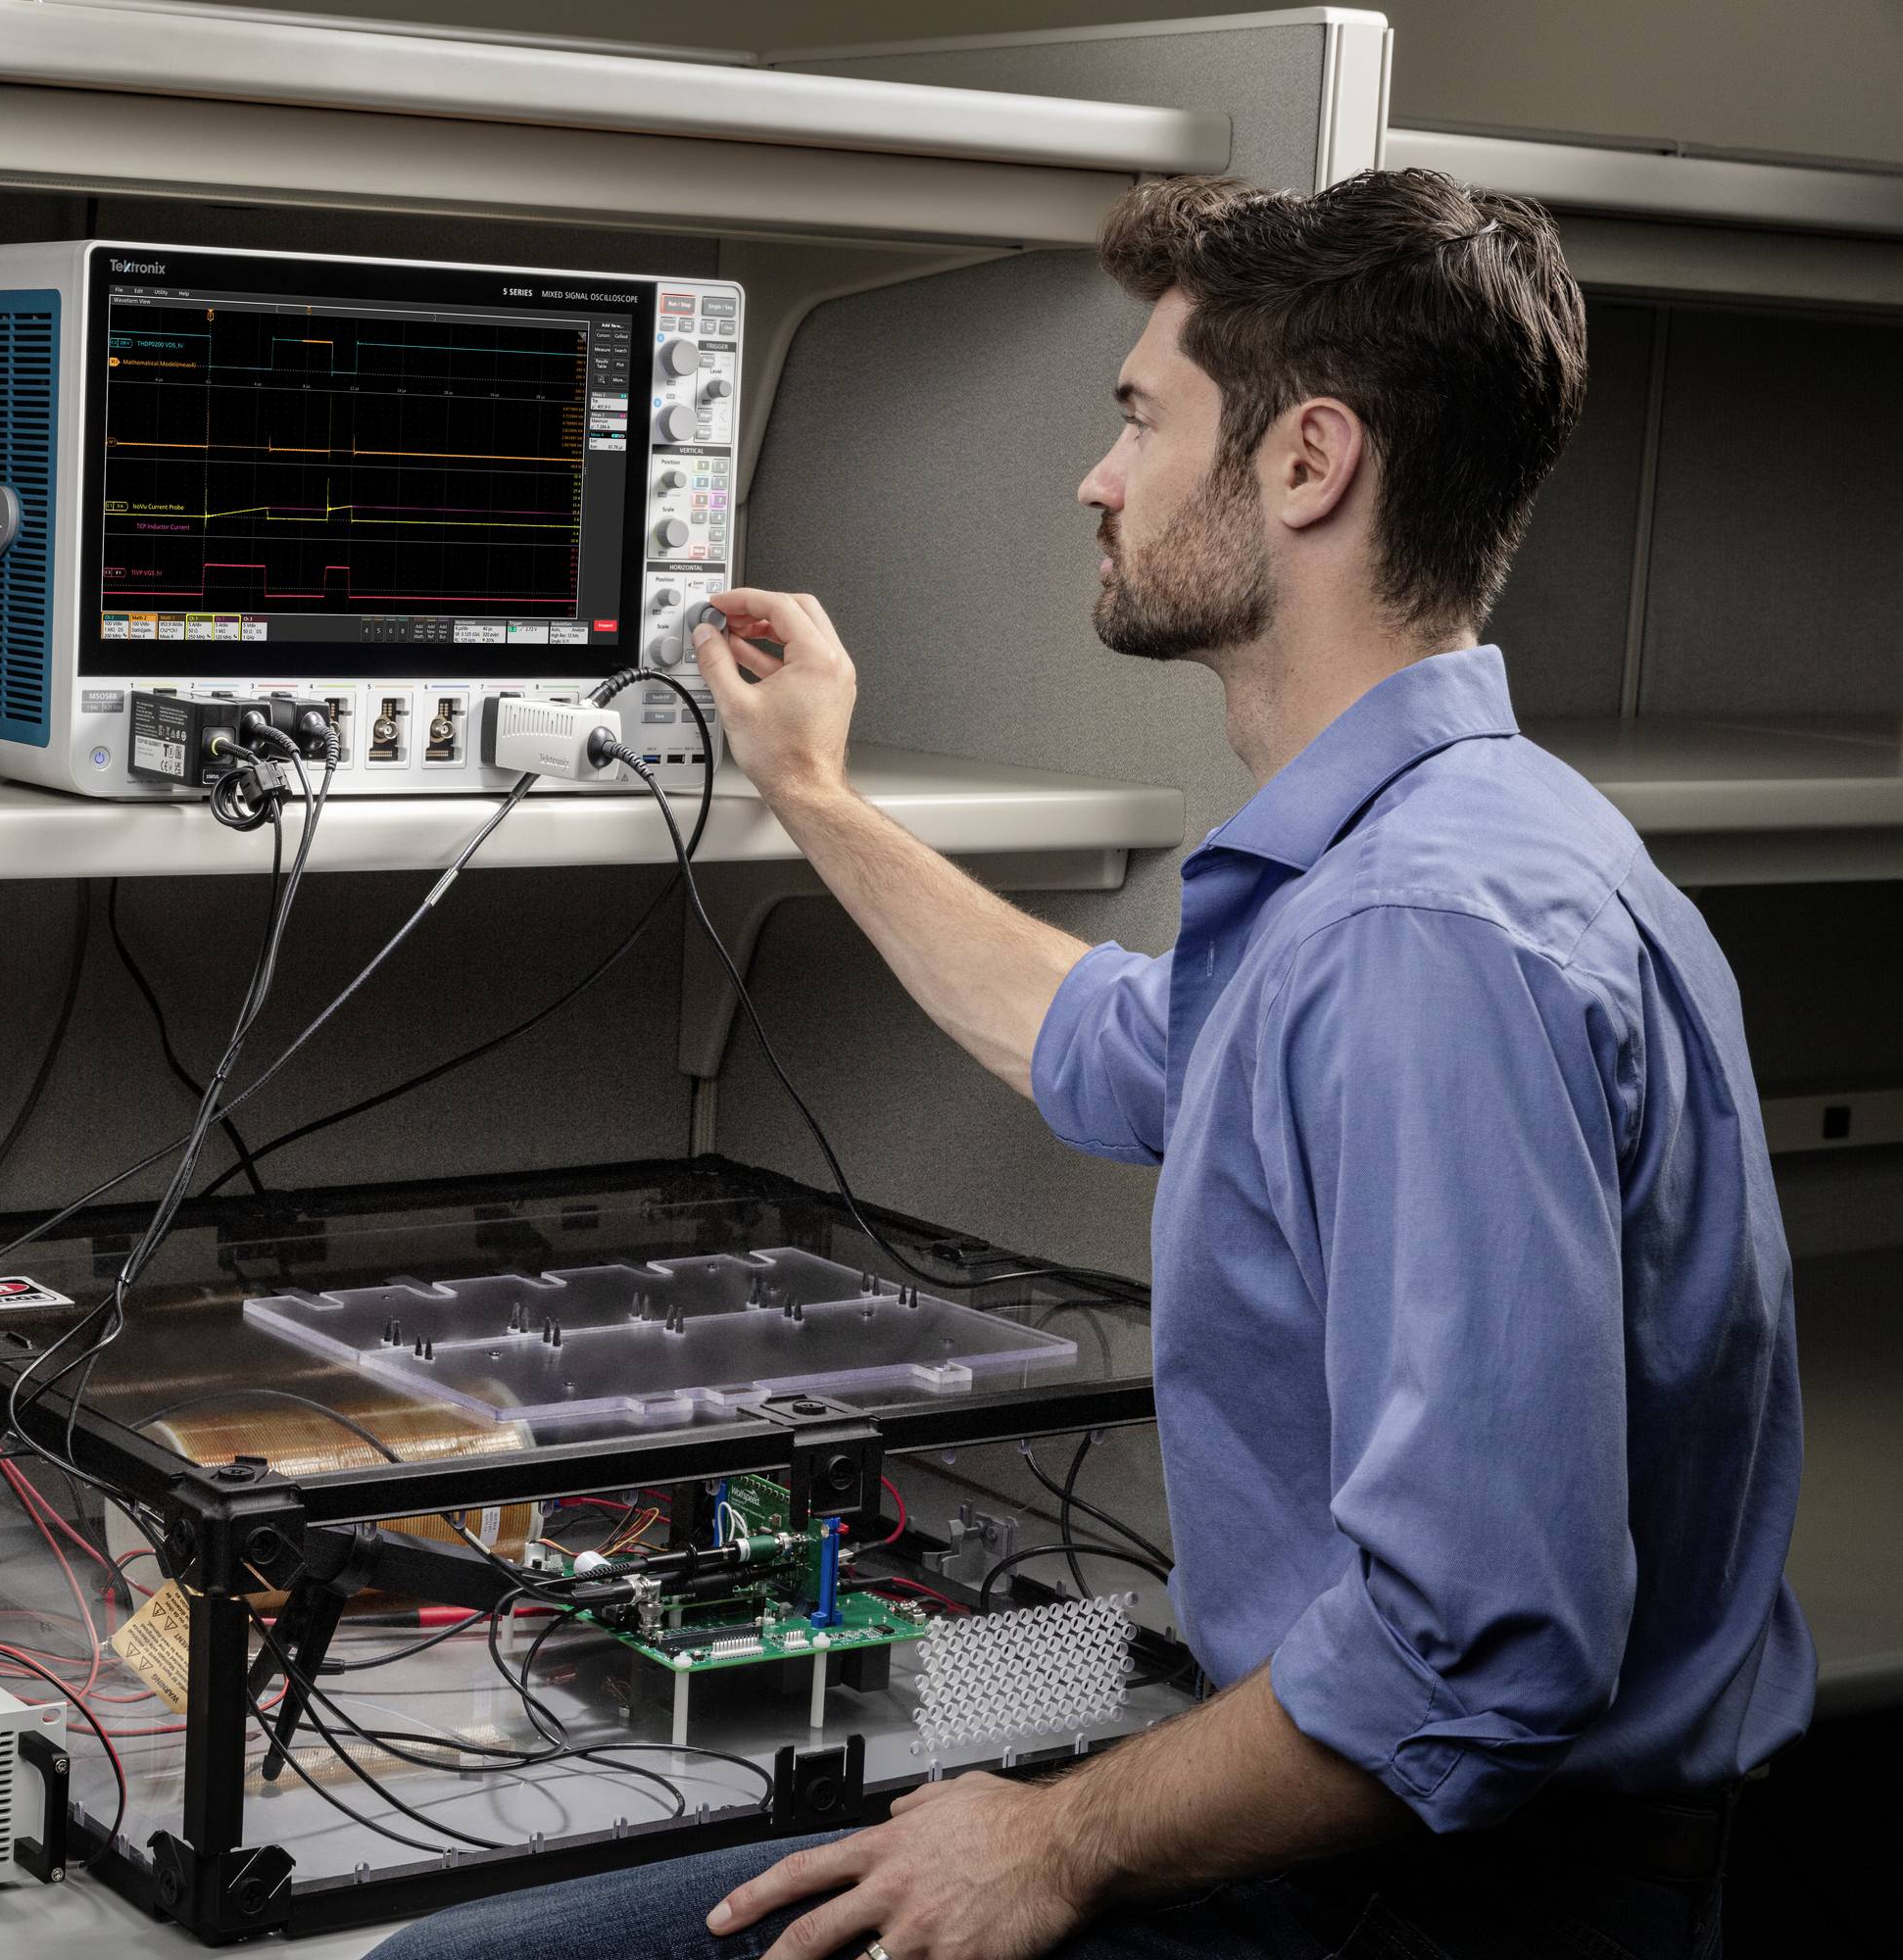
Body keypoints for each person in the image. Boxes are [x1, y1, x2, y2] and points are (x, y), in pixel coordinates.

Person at [368, 171, 1807, 1960]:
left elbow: (1476, 1650)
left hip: (1441, 1897)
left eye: (1140, 419)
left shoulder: (1422, 941)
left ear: (1308, 464)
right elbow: (1104, 1044)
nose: (1097, 479)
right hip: (1408, 1829)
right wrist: (814, 790)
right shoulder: (1458, 854)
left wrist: (1052, 1841)